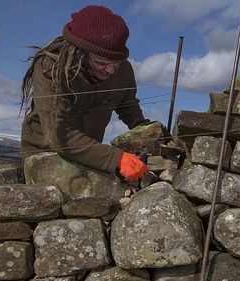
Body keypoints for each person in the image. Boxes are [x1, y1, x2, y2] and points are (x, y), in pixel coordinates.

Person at [20, 5, 149, 182]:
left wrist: (145, 129)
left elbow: (127, 104)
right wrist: (117, 158)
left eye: (115, 63)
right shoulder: (50, 67)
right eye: (101, 62)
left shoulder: (123, 70)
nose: (110, 70)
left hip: (90, 156)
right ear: (79, 53)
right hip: (44, 155)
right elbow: (59, 134)